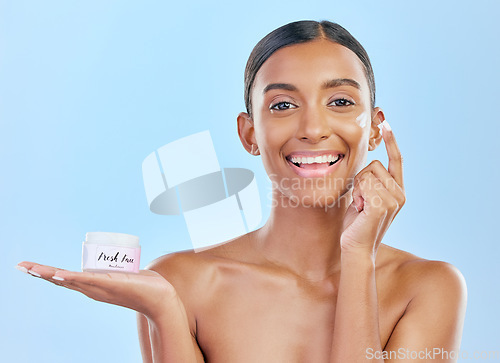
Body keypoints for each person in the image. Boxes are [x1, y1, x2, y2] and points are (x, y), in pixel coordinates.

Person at [17, 20, 467, 362]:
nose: (313, 128)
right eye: (284, 105)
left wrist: (357, 256)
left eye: (341, 102)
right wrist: (167, 312)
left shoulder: (428, 289)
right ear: (249, 133)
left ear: (373, 128)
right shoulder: (180, 284)